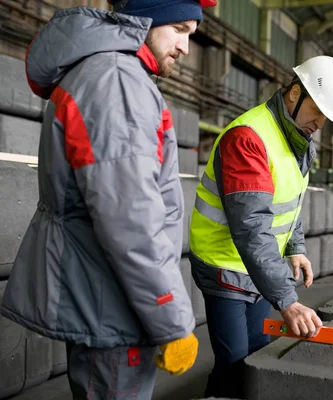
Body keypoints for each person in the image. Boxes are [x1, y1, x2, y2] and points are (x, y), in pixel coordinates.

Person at [0, 1, 218, 398]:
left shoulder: (108, 73)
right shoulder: (117, 81)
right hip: (114, 304)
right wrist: (171, 318)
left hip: (107, 294)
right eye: (181, 29)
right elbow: (131, 219)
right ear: (146, 19)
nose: (186, 47)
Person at [188, 55, 333, 398]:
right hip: (224, 264)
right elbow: (251, 226)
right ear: (295, 94)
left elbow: (286, 202)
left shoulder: (296, 140)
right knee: (234, 360)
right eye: (317, 111)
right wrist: (287, 300)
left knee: (257, 350)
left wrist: (295, 248)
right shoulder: (249, 138)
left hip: (258, 268)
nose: (320, 123)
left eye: (326, 117)